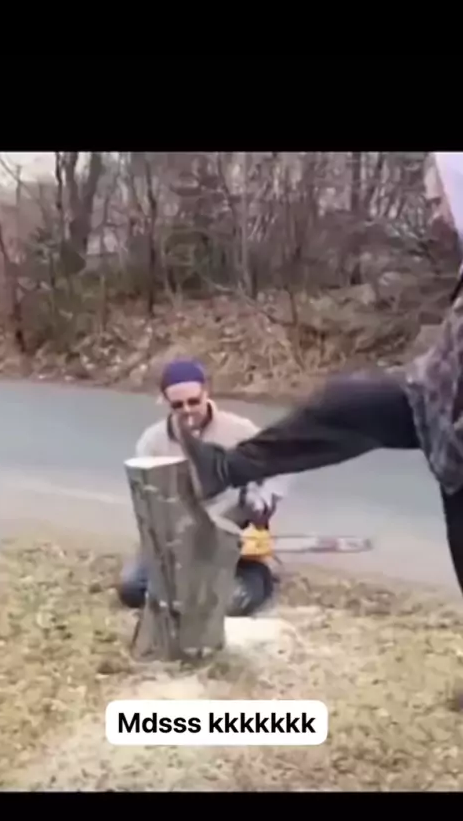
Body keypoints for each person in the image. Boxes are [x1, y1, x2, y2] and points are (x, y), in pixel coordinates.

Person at [175, 153, 463, 596]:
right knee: (347, 402)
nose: (438, 216)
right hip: (431, 395)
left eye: (439, 202)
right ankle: (225, 468)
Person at [117, 359, 287, 616]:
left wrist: (263, 495)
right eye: (178, 405)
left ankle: (261, 578)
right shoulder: (152, 443)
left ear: (206, 392)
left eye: (193, 401)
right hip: (175, 538)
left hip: (232, 535)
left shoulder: (240, 431)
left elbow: (281, 465)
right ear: (165, 402)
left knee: (227, 602)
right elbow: (146, 499)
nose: (187, 410)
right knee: (133, 589)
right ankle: (184, 586)